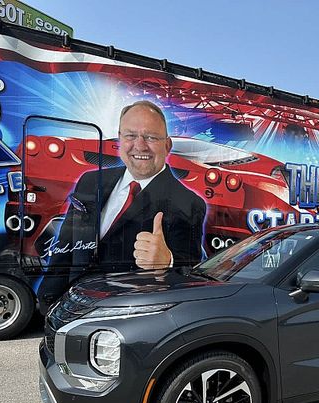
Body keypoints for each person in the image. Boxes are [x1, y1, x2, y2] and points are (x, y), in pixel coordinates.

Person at [41, 100, 206, 296]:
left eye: (151, 137)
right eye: (130, 136)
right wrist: (48, 301)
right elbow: (65, 246)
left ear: (167, 145)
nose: (140, 146)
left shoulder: (188, 203)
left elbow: (189, 278)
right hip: (71, 305)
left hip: (125, 316)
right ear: (120, 139)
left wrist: (167, 262)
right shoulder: (90, 181)